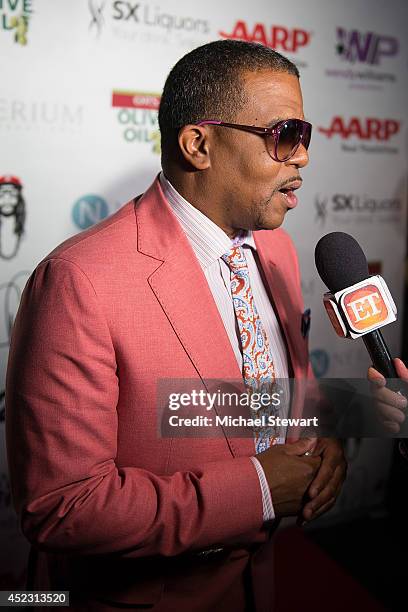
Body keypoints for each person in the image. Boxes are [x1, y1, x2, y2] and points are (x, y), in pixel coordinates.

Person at [5, 41, 348, 611]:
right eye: (284, 134)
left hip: (262, 585)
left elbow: (284, 398)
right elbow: (62, 506)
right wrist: (259, 491)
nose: (303, 157)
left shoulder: (281, 252)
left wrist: (321, 439)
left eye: (306, 136)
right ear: (199, 144)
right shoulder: (77, 281)